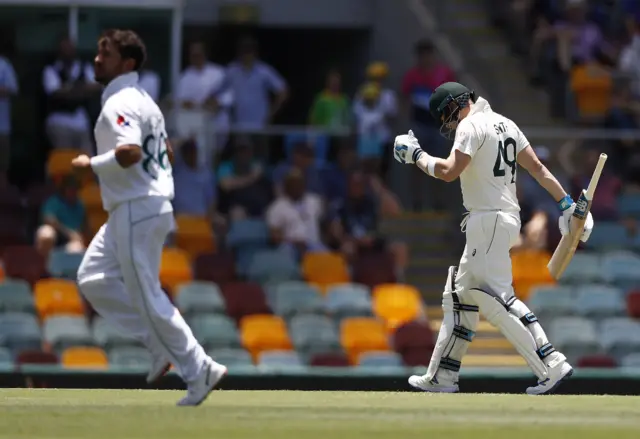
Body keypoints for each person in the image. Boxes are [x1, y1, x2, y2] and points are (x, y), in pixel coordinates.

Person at [393, 81, 595, 395]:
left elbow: (448, 171)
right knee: (459, 294)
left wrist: (416, 156)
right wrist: (567, 204)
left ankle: (551, 362)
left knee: (500, 298)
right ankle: (442, 375)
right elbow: (539, 168)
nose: (447, 122)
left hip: (487, 220)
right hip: (501, 219)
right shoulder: (507, 124)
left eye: (446, 113)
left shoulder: (470, 126)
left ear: (458, 103)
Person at [70, 29, 226, 406]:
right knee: (91, 276)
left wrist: (89, 164)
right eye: (98, 51)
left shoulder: (121, 101)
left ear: (126, 63)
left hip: (136, 207)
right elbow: (167, 152)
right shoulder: (145, 101)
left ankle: (199, 366)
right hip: (139, 206)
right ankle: (159, 346)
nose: (96, 59)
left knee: (147, 294)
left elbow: (129, 153)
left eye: (104, 53)